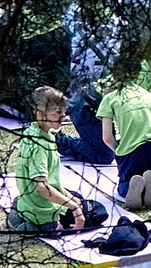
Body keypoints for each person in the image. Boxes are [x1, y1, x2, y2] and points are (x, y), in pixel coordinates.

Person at [6, 87, 94, 234]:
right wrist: (74, 208)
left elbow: (50, 183)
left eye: (64, 112)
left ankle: (22, 212)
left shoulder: (32, 132)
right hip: (42, 206)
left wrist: (71, 199)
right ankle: (43, 225)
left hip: (33, 199)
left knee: (79, 198)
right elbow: (41, 187)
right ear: (40, 114)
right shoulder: (40, 145)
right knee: (97, 212)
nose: (63, 117)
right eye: (57, 113)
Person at [99, 69, 151, 211]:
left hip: (133, 152)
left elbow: (106, 138)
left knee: (126, 181)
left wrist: (118, 151)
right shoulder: (148, 95)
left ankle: (132, 187)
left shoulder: (110, 98)